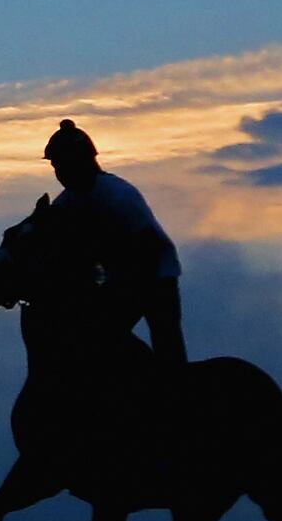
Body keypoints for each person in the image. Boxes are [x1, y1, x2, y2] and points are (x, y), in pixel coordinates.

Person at [33, 118, 186, 367]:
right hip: (121, 279)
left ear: (81, 162)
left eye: (62, 164)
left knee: (165, 338)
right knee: (96, 335)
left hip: (157, 275)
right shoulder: (67, 202)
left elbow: (148, 248)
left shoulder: (118, 195)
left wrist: (121, 286)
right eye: (56, 166)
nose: (59, 172)